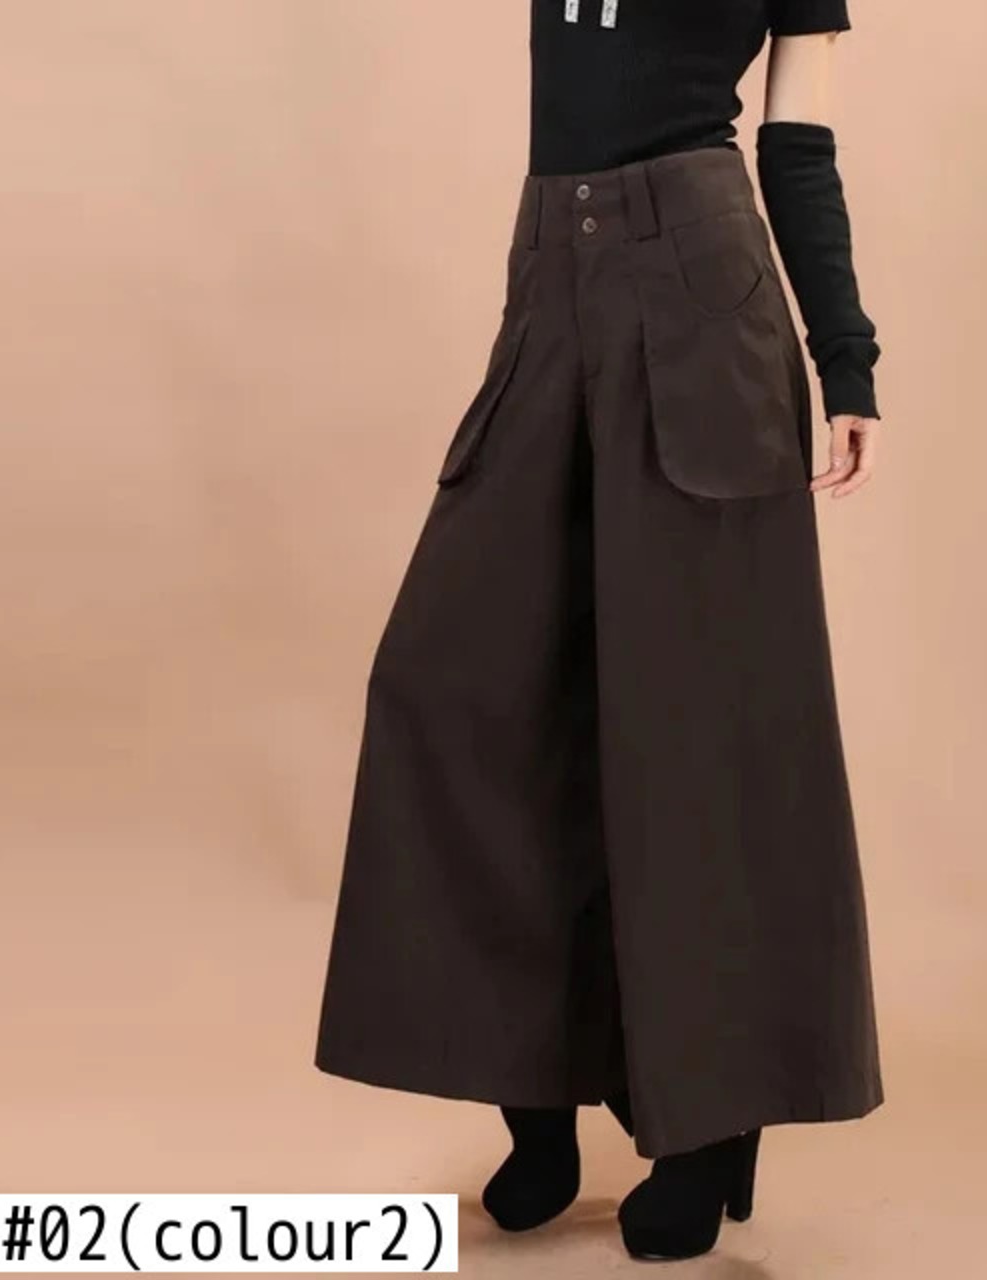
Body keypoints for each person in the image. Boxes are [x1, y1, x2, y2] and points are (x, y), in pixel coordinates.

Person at [315, 0, 886, 1263]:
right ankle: (538, 1092)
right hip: (545, 286)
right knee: (461, 688)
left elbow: (797, 145)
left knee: (696, 735)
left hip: (699, 294)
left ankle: (707, 1131)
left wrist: (844, 358)